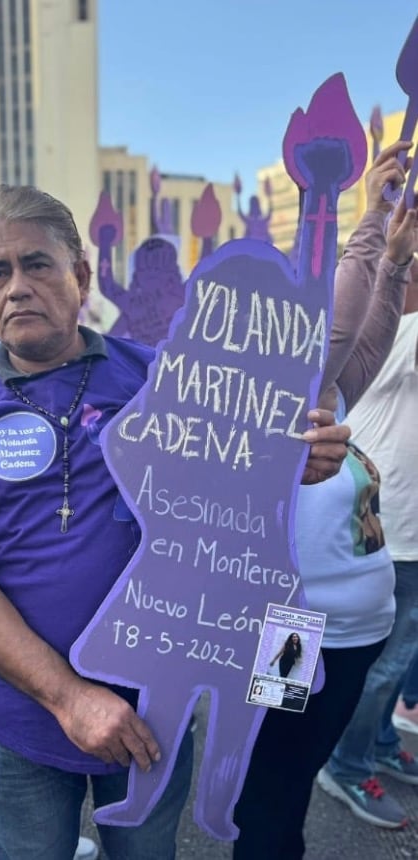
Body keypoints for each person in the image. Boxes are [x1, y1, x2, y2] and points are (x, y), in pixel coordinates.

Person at [0, 183, 349, 860]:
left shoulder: (164, 378)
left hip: (153, 714)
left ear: (80, 276)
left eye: (37, 264)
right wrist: (67, 698)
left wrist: (301, 459)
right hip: (20, 721)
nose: (17, 286)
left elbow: (247, 496)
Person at [233, 140, 418, 857]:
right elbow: (341, 320)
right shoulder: (271, 404)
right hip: (292, 634)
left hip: (355, 638)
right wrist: (370, 214)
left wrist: (395, 256)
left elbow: (363, 335)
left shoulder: (335, 392)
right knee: (272, 792)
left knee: (294, 779)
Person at [317, 253, 418, 828]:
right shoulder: (279, 404)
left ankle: (367, 745)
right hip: (298, 609)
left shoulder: (341, 386)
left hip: (368, 584)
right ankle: (347, 762)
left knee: (388, 662)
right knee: (273, 728)